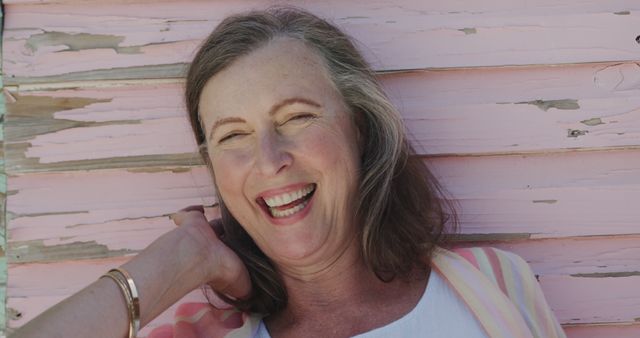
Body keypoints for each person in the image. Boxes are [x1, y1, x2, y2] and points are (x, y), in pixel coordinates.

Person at [12, 7, 566, 338]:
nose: (270, 159)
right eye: (233, 136)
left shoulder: (492, 286)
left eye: (296, 118)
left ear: (361, 129)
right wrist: (175, 261)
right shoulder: (196, 333)